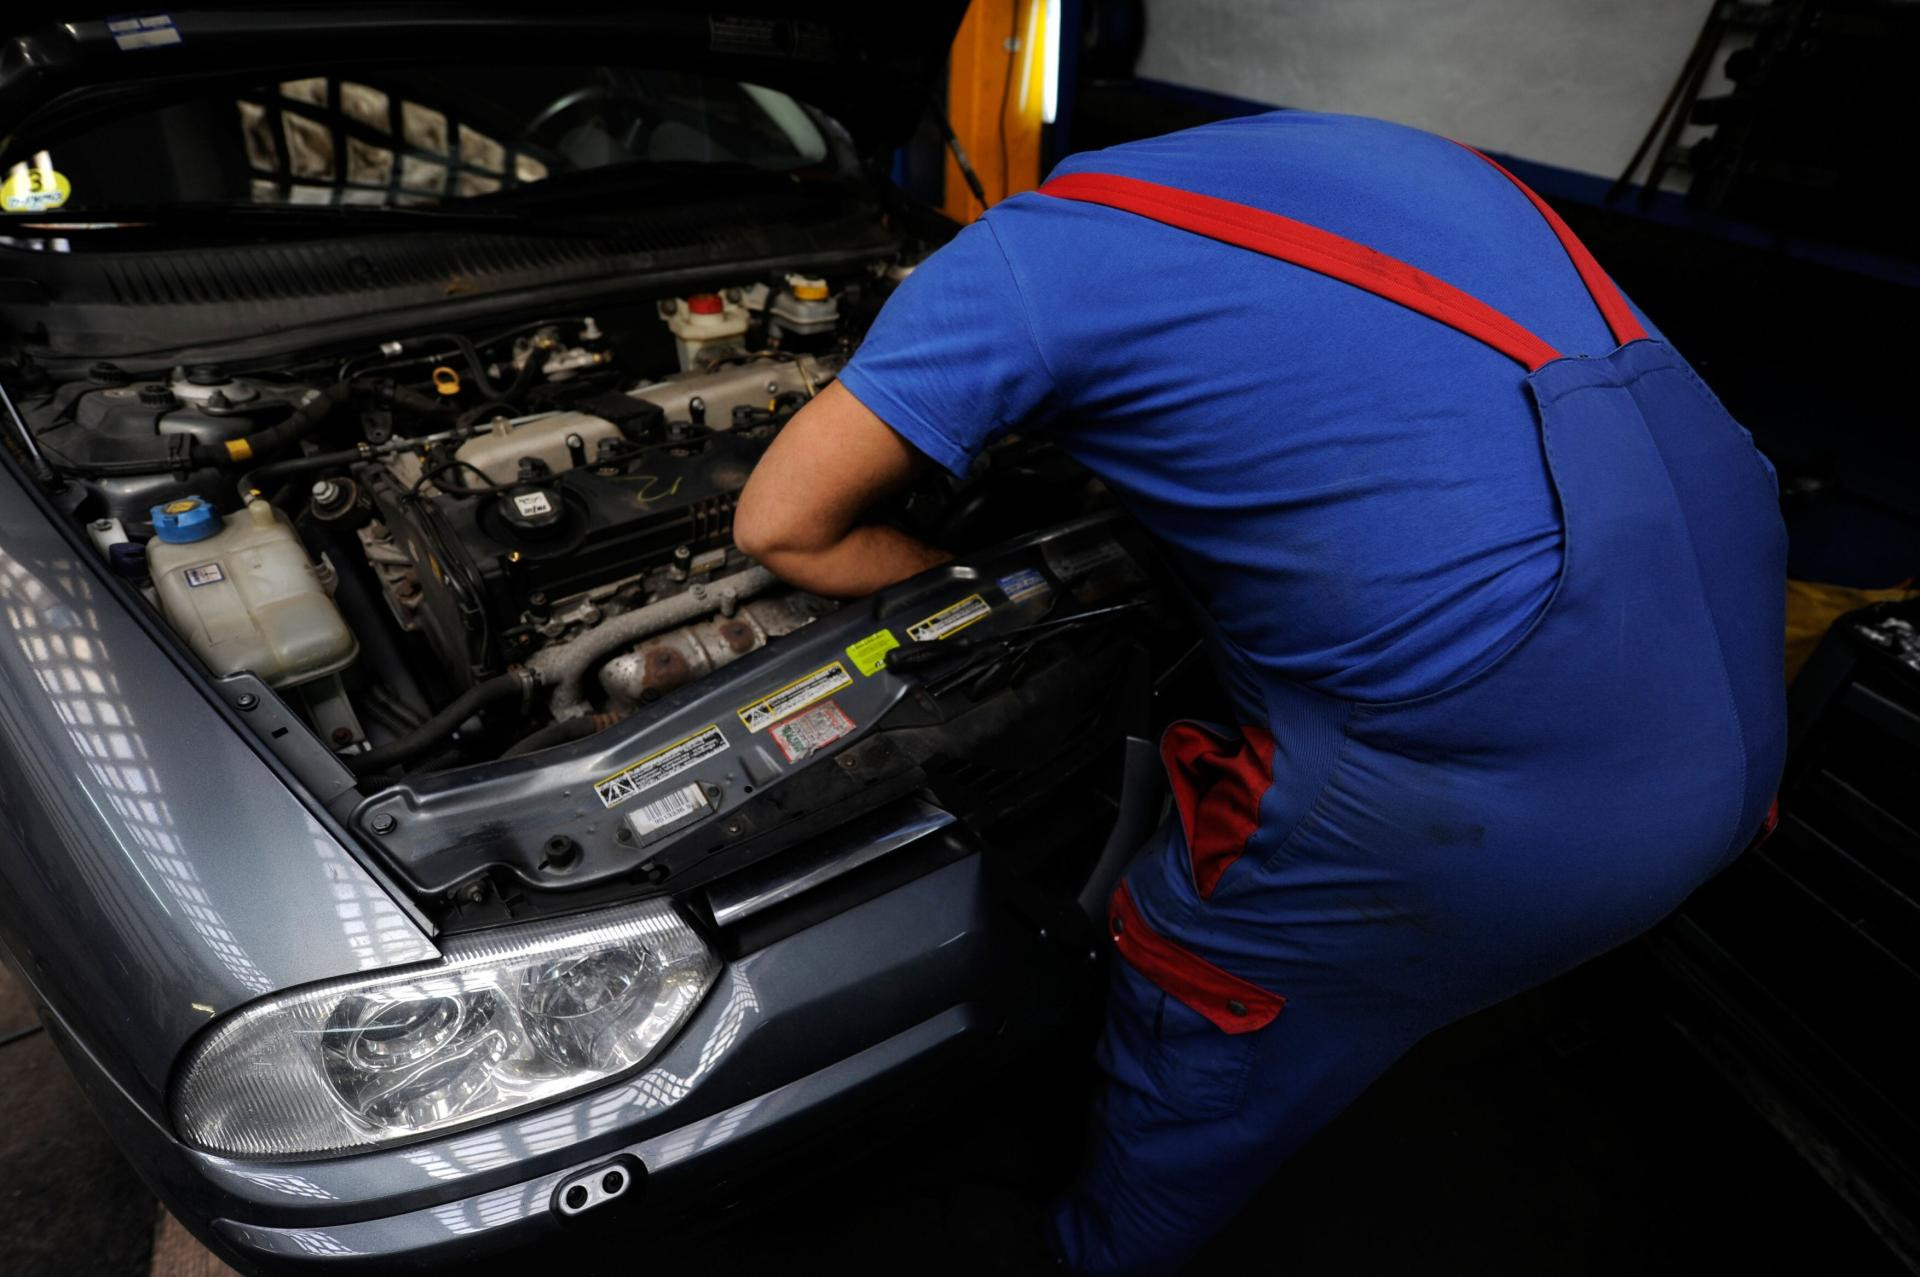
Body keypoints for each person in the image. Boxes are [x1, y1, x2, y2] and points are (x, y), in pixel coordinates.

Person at [733, 110, 1786, 1275]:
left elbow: (780, 526)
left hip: (1508, 805)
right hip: (1738, 688)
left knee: (1203, 973)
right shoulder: (1416, 160)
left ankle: (1097, 1250)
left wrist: (972, 583)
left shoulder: (1022, 252)